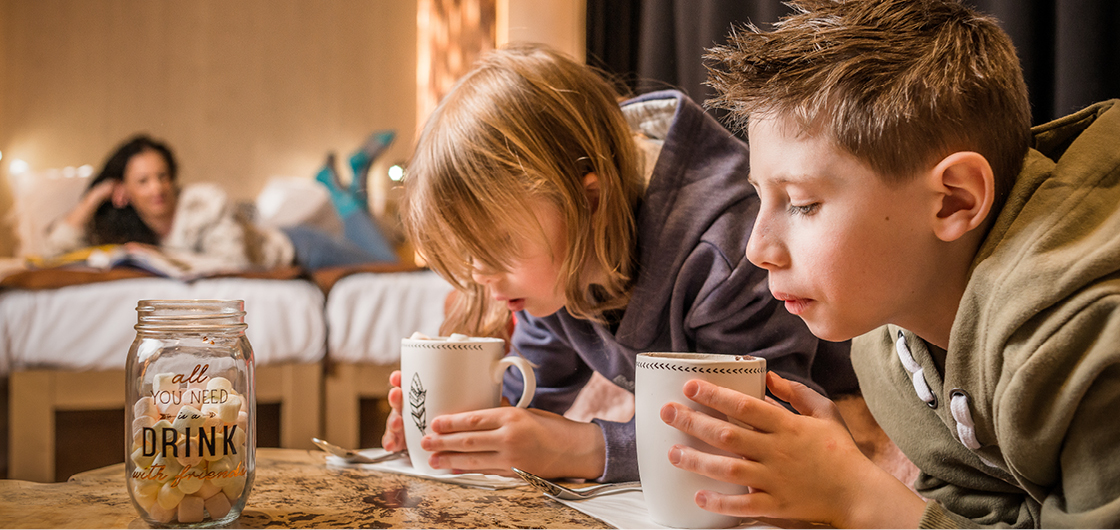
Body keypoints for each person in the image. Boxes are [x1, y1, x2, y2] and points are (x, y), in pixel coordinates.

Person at [655, 0, 1120, 527]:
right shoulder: (885, 349)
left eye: (803, 203)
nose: (757, 248)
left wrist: (858, 499)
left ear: (954, 201)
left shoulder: (1087, 337)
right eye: (761, 196)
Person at [378, 43, 858, 483]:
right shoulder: (558, 271)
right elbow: (532, 391)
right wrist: (456, 429)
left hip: (849, 404)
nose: (480, 273)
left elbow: (766, 424)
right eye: (467, 250)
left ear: (587, 203)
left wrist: (585, 448)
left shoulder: (727, 248)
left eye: (497, 242)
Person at [43, 134, 399, 270]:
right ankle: (349, 183)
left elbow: (236, 263)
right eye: (143, 181)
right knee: (386, 265)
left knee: (389, 268)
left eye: (163, 176)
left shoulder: (204, 203)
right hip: (293, 247)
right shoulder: (129, 233)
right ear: (125, 192)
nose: (158, 188)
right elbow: (53, 255)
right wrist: (95, 197)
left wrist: (159, 256)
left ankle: (342, 193)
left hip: (297, 247)